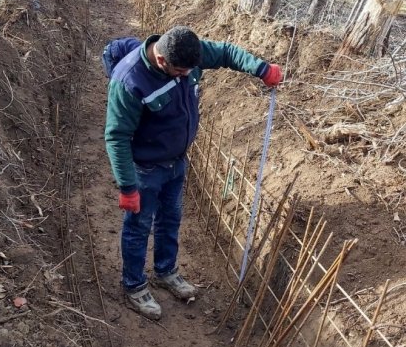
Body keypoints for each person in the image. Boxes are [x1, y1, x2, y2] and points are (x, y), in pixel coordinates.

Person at [104, 26, 283, 320]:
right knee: (138, 228)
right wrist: (127, 187)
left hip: (176, 161)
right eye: (181, 71)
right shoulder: (129, 80)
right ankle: (134, 285)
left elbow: (226, 52)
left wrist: (261, 68)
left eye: (191, 69)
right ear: (161, 60)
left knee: (170, 220)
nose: (188, 75)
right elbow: (116, 137)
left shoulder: (186, 54)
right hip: (145, 169)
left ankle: (166, 271)